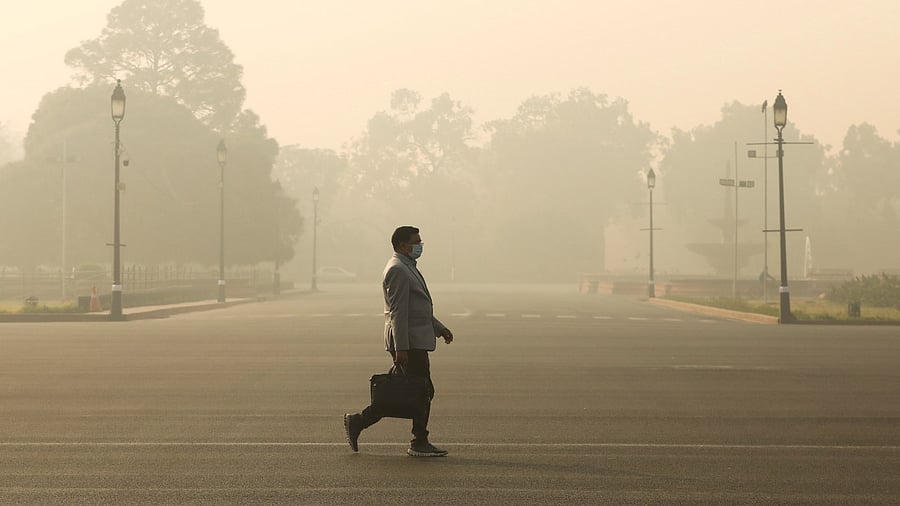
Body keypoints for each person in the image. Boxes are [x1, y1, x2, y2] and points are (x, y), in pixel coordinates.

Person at [344, 226, 454, 457]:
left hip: (415, 339)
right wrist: (401, 348)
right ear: (403, 245)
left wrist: (439, 328)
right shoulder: (398, 270)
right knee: (421, 391)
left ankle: (359, 421)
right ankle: (419, 440)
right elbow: (398, 312)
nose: (420, 246)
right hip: (409, 342)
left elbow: (417, 309)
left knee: (411, 391)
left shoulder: (407, 267)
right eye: (416, 242)